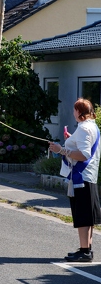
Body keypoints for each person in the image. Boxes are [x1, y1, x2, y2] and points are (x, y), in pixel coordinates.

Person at [49, 98, 101, 262]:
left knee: (83, 215)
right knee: (87, 216)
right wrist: (72, 138)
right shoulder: (91, 126)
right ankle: (86, 249)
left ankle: (85, 251)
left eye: (74, 110)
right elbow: (83, 146)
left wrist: (62, 150)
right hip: (88, 176)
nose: (73, 113)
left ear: (79, 112)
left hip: (81, 176)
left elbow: (84, 154)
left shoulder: (84, 128)